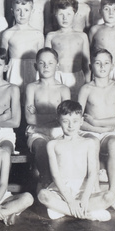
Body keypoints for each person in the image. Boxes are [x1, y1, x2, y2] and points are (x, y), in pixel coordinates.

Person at [38, 100, 115, 222]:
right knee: (42, 195)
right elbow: (56, 176)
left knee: (110, 196)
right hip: (61, 192)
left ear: (81, 122)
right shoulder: (53, 144)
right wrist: (70, 201)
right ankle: (84, 213)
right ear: (58, 121)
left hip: (83, 190)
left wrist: (84, 198)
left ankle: (64, 210)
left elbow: (92, 173)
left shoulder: (88, 143)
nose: (70, 125)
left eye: (75, 121)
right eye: (65, 121)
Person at [78, 48, 115, 211]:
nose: (102, 66)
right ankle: (97, 192)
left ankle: (112, 193)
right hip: (89, 131)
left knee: (114, 144)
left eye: (106, 63)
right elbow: (78, 120)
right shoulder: (86, 88)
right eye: (98, 63)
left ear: (112, 65)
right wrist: (95, 128)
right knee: (92, 143)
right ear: (91, 66)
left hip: (108, 131)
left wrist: (98, 123)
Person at [25, 48, 71, 189]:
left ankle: (64, 184)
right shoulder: (31, 87)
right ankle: (45, 181)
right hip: (37, 132)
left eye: (50, 63)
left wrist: (39, 118)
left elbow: (66, 118)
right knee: (41, 146)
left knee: (66, 149)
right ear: (35, 66)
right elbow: (29, 119)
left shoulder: (63, 89)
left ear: (57, 65)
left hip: (59, 131)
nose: (46, 66)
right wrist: (56, 115)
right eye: (42, 63)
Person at [44, 0, 90, 99]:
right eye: (61, 14)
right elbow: (47, 60)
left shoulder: (82, 36)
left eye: (68, 14)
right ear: (55, 14)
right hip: (57, 77)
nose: (65, 18)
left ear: (75, 14)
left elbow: (86, 64)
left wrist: (87, 83)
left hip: (77, 77)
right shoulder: (51, 36)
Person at [0, 0, 44, 93]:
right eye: (18, 10)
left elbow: (41, 58)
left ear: (32, 11)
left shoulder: (38, 34)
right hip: (13, 71)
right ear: (12, 11)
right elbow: (3, 59)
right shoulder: (7, 33)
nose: (22, 14)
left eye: (26, 10)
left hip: (33, 71)